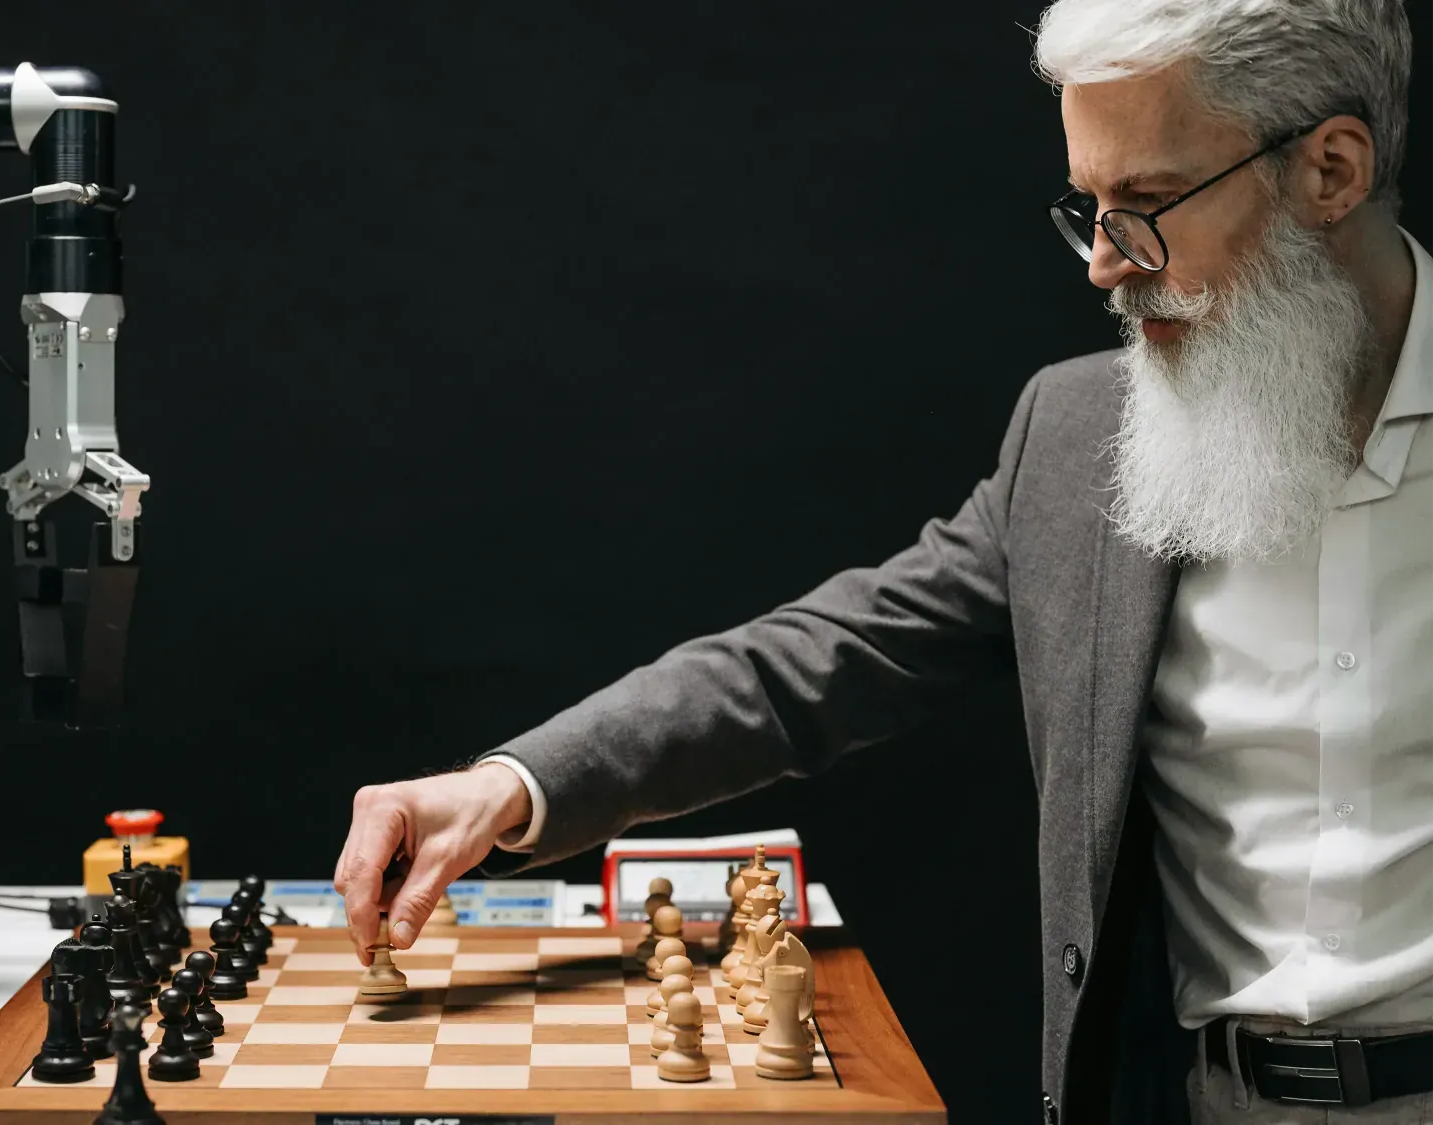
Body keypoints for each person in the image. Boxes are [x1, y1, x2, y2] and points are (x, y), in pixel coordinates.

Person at [331, 2, 1426, 1123]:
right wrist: (506, 786)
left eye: (1143, 208)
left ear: (1328, 172)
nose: (1102, 266)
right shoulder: (1075, 437)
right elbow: (818, 660)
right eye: (1086, 209)